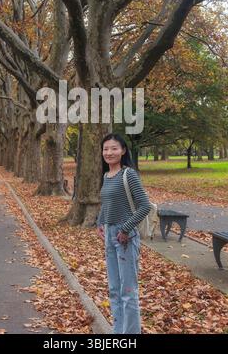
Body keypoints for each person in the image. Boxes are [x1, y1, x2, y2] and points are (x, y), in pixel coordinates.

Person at [97, 133, 151, 334]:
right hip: (110, 235)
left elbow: (144, 206)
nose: (109, 152)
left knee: (128, 292)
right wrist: (100, 221)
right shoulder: (106, 175)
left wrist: (126, 228)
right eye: (106, 149)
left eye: (114, 148)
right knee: (114, 290)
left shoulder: (129, 174)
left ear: (123, 151)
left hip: (125, 238)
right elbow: (107, 202)